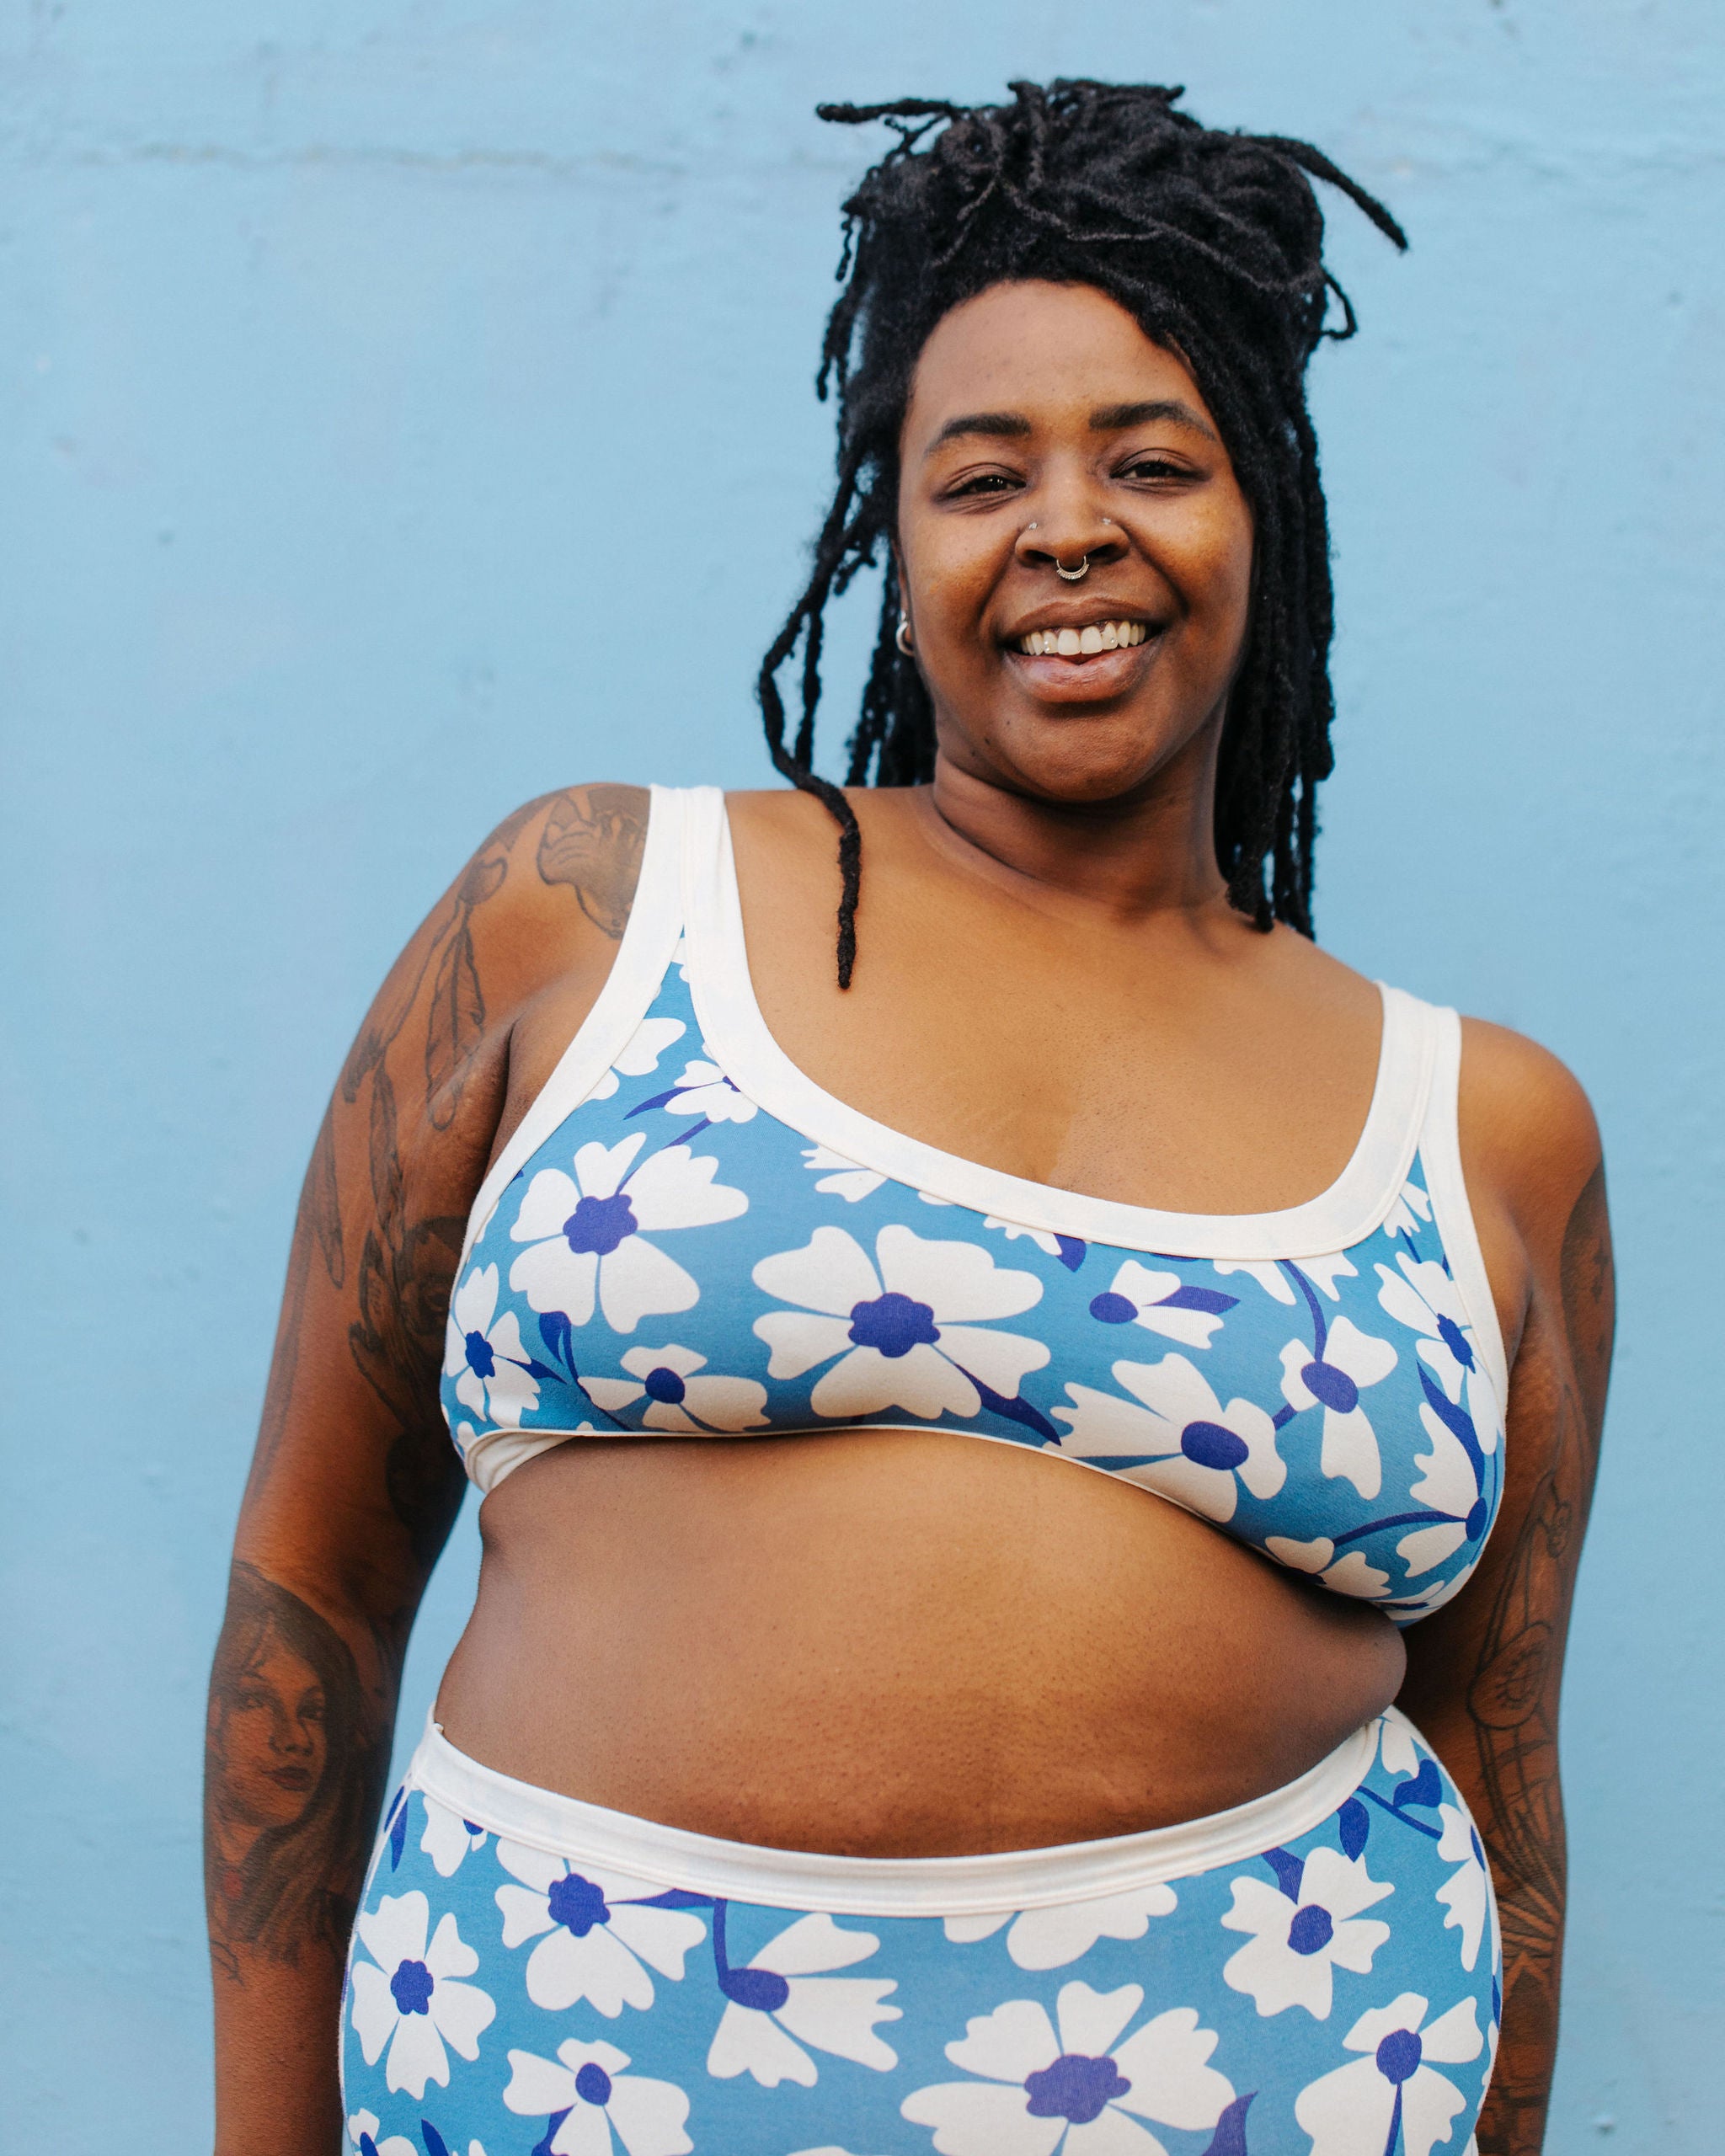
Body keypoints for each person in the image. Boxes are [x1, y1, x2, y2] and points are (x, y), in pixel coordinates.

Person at [206, 82, 1612, 2156]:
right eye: (982, 473)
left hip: (1276, 2086)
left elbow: (1500, 1768)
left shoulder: (1480, 1123)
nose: (1069, 527)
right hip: (568, 2086)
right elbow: (314, 1574)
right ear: (890, 533)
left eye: (1154, 458)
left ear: (1264, 517)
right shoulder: (584, 911)